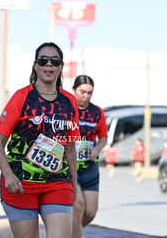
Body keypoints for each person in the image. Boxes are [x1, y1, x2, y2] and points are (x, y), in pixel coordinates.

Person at [0, 42, 79, 238]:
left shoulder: (70, 101)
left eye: (54, 61)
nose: (49, 65)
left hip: (58, 182)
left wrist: (75, 186)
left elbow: (71, 149)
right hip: (21, 184)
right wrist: (8, 175)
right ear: (35, 65)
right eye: (43, 60)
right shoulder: (21, 97)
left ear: (61, 67)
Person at [71, 75, 108, 238]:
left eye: (90, 93)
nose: (86, 96)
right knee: (77, 206)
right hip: (70, 165)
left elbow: (104, 137)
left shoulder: (97, 112)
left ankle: (70, 228)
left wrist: (97, 149)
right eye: (82, 92)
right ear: (74, 90)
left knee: (90, 211)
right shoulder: (66, 108)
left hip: (90, 166)